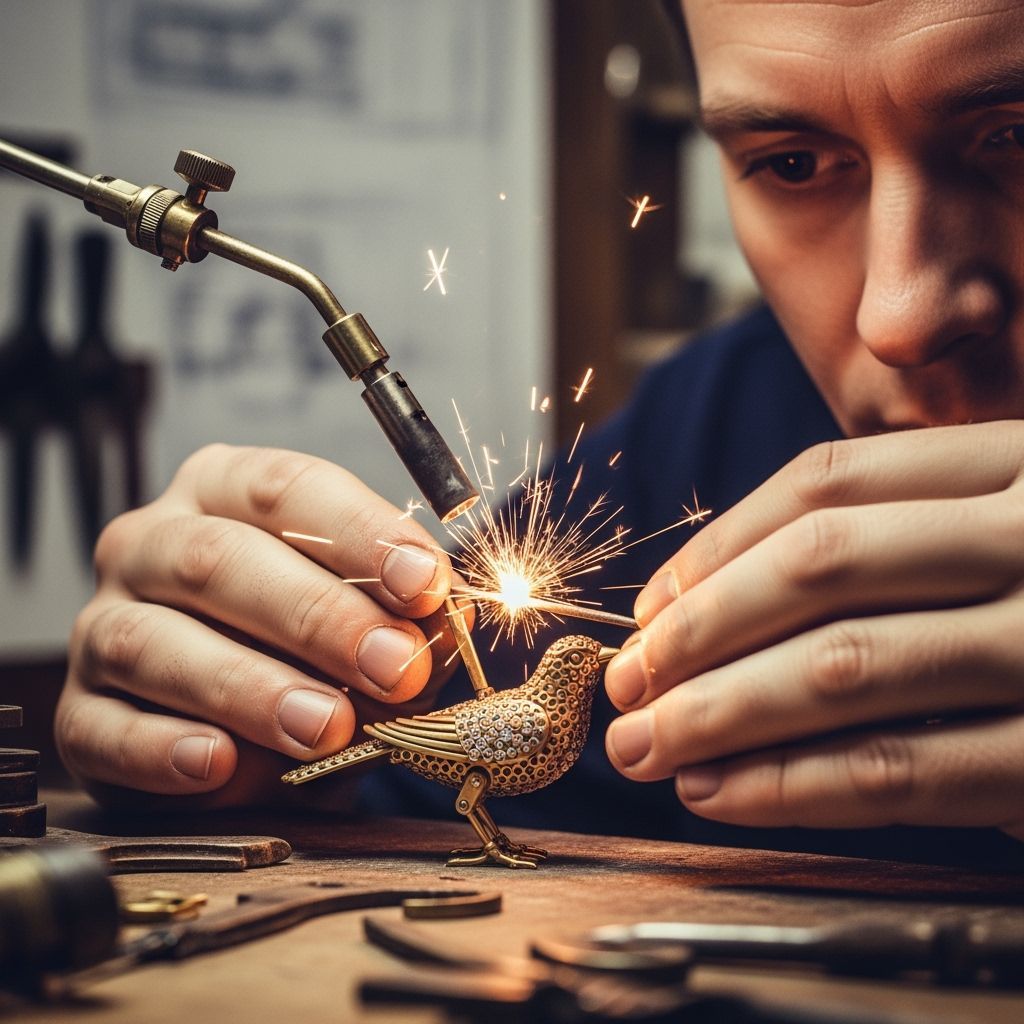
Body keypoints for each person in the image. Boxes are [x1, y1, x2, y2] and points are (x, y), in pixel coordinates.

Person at [56, 0, 1024, 865]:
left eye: (1016, 133)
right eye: (792, 163)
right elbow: (385, 770)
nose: (900, 317)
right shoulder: (685, 441)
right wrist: (244, 732)